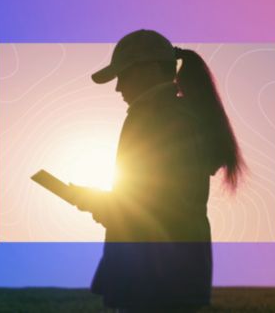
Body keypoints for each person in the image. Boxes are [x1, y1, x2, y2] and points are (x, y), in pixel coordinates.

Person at [68, 29, 246, 312]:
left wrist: (95, 202)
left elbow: (153, 205)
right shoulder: (177, 115)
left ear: (148, 69)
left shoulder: (157, 118)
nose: (118, 88)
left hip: (153, 277)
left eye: (122, 76)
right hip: (169, 275)